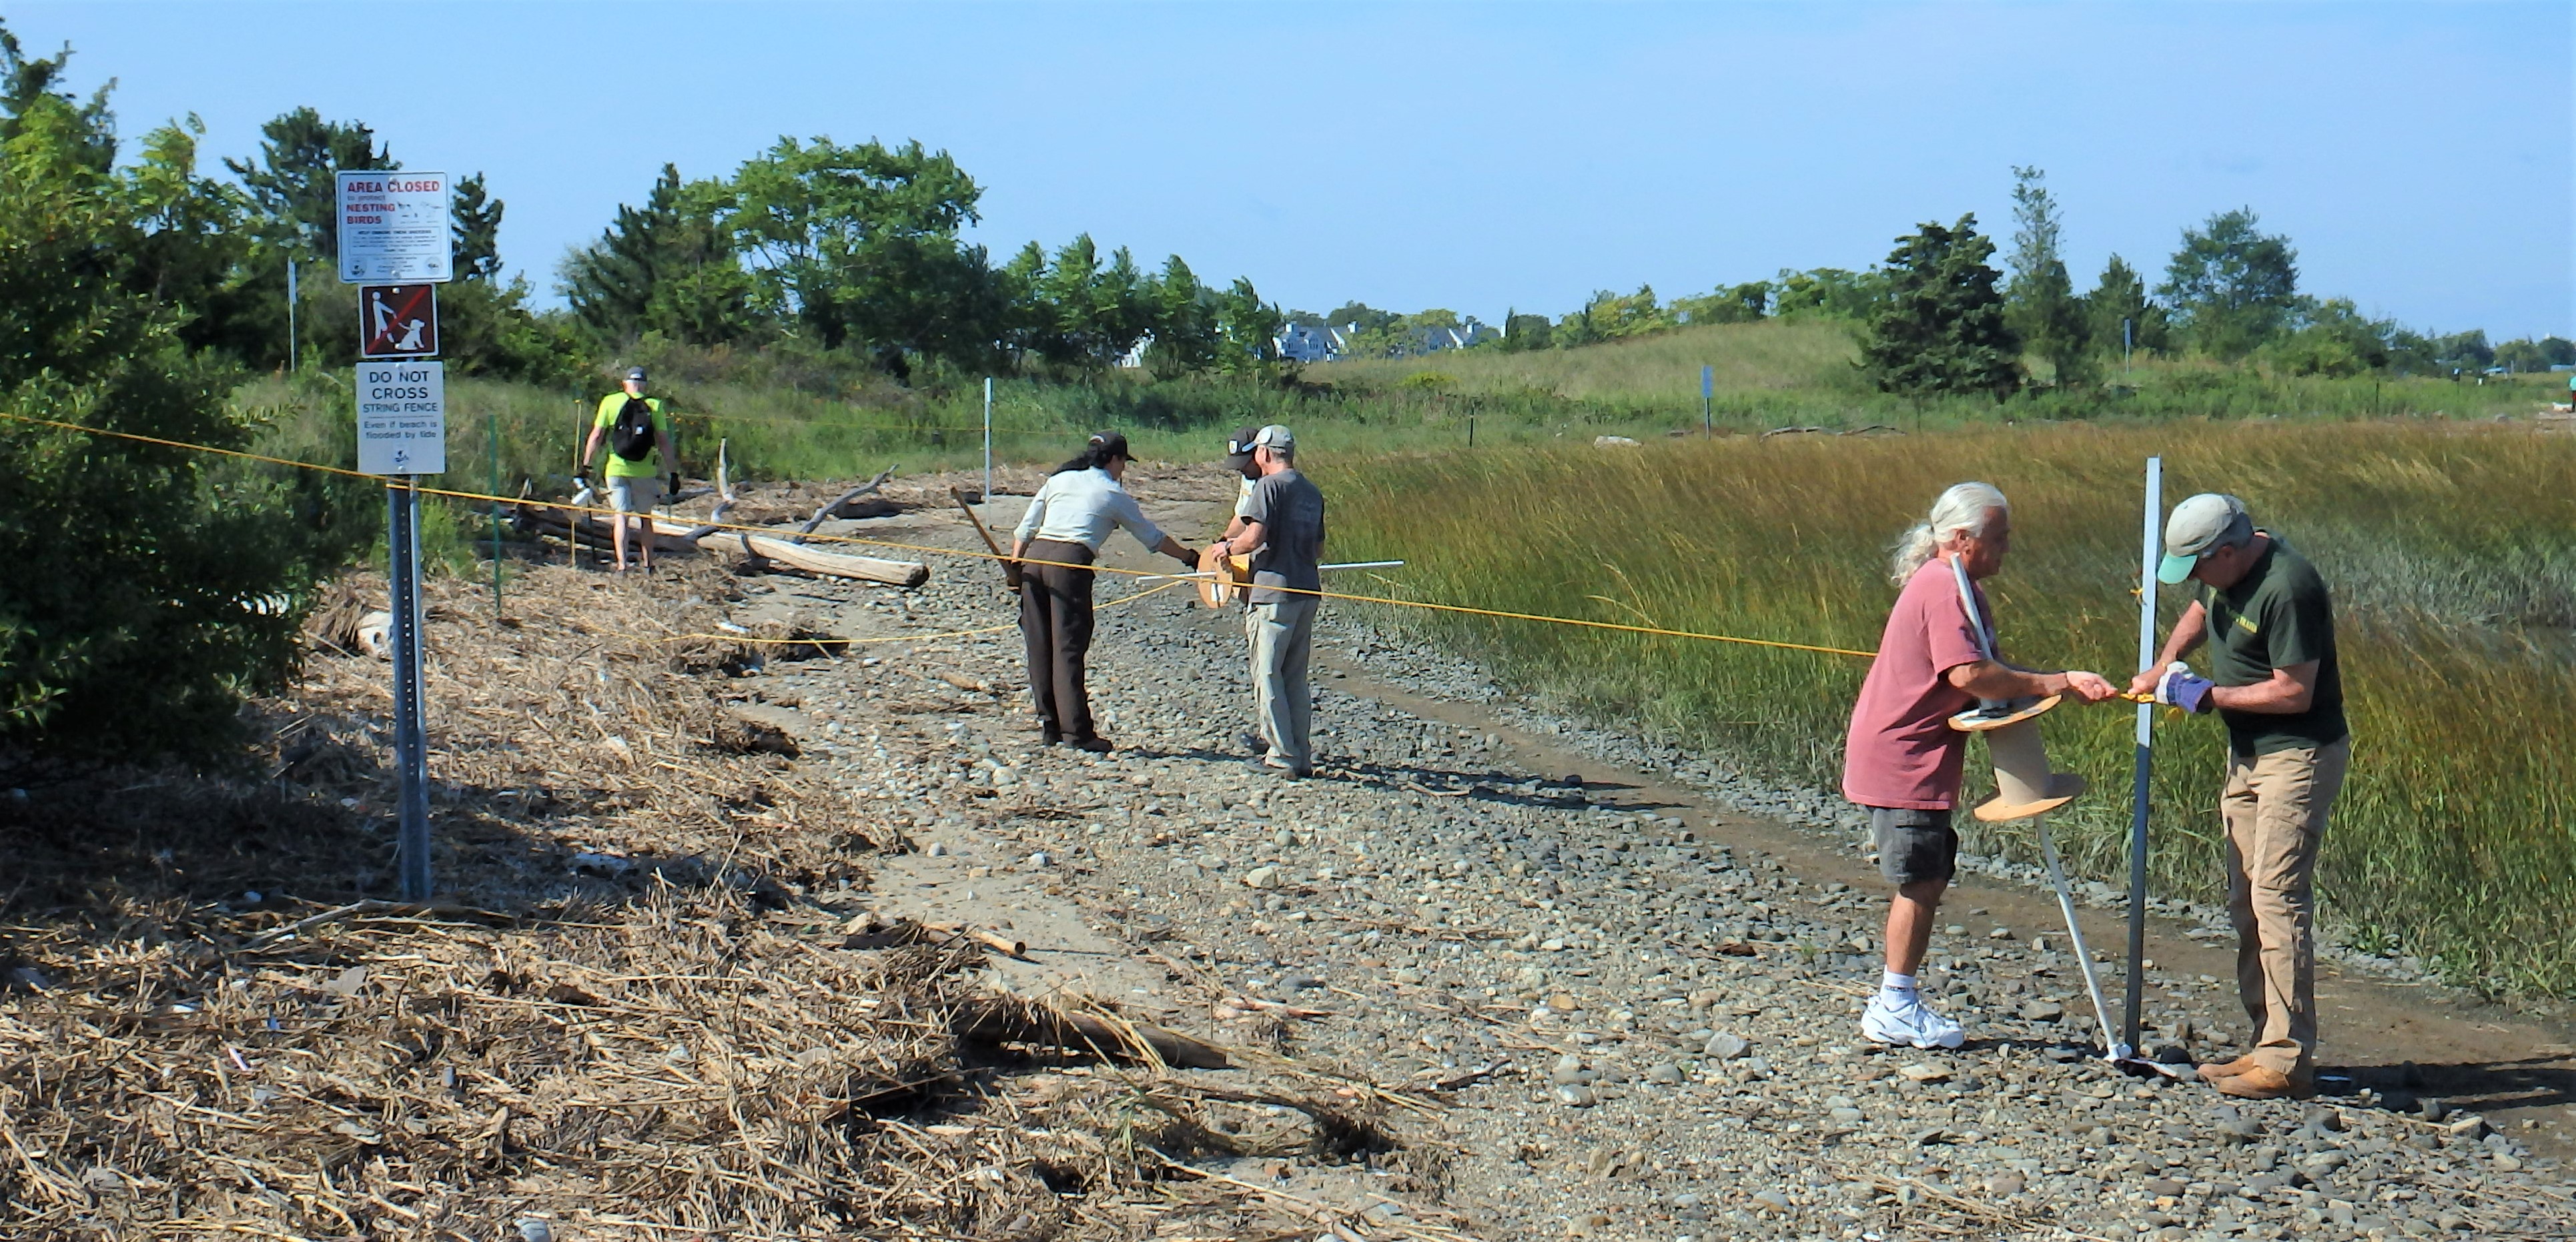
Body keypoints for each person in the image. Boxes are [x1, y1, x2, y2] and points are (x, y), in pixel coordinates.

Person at [1843, 482, 2116, 1050]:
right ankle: (1893, 1005)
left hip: (1921, 754)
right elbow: (1967, 675)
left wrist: (2051, 684)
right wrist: (2055, 682)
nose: (2006, 548)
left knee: (1931, 871)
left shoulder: (1961, 588)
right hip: (1902, 757)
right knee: (1919, 879)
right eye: (1999, 537)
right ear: (1963, 539)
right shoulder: (1941, 588)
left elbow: (1985, 671)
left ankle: (1896, 999)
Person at [2130, 494, 2347, 1101]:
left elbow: (2294, 692)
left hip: (2296, 756)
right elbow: (2200, 609)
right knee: (2246, 897)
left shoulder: (2288, 588)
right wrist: (2165, 665)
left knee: (2277, 898)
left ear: (2226, 551)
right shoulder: (2225, 573)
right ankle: (2264, 1041)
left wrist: (2205, 696)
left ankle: (2286, 1061)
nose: (2195, 581)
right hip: (2247, 755)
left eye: (2198, 567)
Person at [1010, 432, 1196, 751]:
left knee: (1039, 644)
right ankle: (1077, 733)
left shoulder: (1060, 480)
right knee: (1067, 647)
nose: (1123, 469)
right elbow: (1153, 538)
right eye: (1123, 462)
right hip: (1069, 564)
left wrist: (1016, 566)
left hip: (1034, 560)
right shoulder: (1113, 493)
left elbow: (1025, 529)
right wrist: (1189, 557)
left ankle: (1050, 726)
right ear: (1114, 460)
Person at [1206, 425, 1326, 777]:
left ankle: (1281, 756)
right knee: (1295, 678)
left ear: (1264, 453)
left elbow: (1253, 537)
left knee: (1268, 675)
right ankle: (1301, 754)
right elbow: (1319, 548)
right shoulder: (1311, 491)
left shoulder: (1268, 486)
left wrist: (1226, 548)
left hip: (1272, 593)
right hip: (1306, 591)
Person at [577, 367, 681, 574]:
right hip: (645, 471)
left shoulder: (610, 401)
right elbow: (663, 442)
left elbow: (596, 435)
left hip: (616, 469)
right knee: (646, 518)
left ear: (625, 383)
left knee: (621, 517)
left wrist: (585, 466)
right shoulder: (655, 405)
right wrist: (673, 473)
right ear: (644, 384)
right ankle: (648, 564)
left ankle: (622, 565)